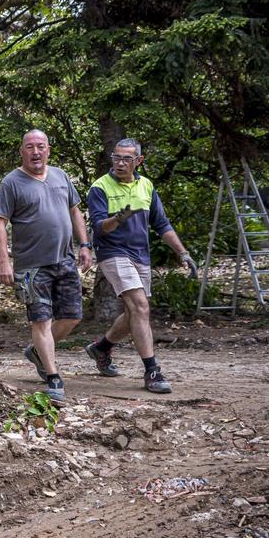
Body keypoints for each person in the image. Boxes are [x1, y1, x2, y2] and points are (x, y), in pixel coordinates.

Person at [84, 138, 196, 394]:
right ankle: (152, 371)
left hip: (140, 255)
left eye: (126, 159)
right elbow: (99, 228)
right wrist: (118, 218)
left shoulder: (146, 186)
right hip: (112, 252)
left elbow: (162, 224)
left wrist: (182, 252)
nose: (120, 163)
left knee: (136, 312)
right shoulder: (99, 187)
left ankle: (101, 348)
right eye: (116, 157)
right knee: (141, 306)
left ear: (139, 161)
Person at [0, 130, 94, 403]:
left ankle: (38, 352)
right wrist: (5, 261)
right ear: (21, 151)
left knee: (72, 316)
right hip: (31, 267)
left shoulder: (61, 176)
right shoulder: (11, 183)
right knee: (41, 320)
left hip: (65, 259)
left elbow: (75, 211)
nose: (35, 152)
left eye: (40, 147)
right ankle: (53, 377)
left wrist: (84, 245)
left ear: (48, 149)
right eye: (29, 147)